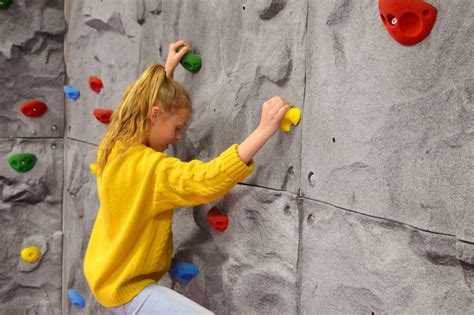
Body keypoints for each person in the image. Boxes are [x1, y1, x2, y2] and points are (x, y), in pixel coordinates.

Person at [83, 39, 291, 314]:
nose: (178, 136)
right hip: (128, 289)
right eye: (177, 127)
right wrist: (263, 130)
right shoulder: (152, 170)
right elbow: (207, 181)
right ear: (155, 114)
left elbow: (138, 106)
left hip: (105, 276)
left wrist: (165, 77)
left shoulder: (114, 145)